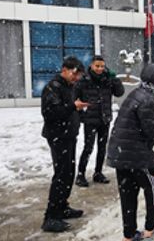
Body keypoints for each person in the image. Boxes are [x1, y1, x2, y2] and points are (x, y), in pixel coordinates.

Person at [106, 63, 154, 240]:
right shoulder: (148, 99)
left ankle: (129, 234)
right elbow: (152, 130)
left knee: (128, 195)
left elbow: (145, 126)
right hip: (136, 155)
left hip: (121, 153)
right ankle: (151, 228)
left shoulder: (137, 94)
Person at [41, 56, 90, 233]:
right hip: (58, 137)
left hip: (69, 136)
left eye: (78, 75)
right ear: (64, 69)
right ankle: (51, 217)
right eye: (74, 74)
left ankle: (62, 207)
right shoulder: (52, 88)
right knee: (61, 175)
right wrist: (73, 107)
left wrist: (80, 114)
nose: (76, 78)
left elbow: (70, 110)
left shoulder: (69, 87)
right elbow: (51, 113)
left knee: (69, 173)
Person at [75, 55, 126, 187]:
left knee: (102, 148)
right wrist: (82, 116)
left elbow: (119, 92)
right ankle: (80, 174)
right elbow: (75, 100)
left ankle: (98, 173)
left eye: (102, 66)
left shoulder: (107, 79)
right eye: (97, 66)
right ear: (92, 65)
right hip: (90, 120)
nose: (100, 69)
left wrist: (114, 79)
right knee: (88, 147)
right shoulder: (84, 80)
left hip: (104, 119)